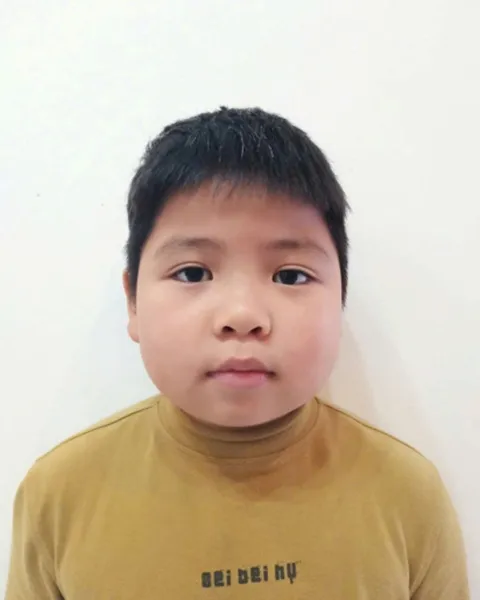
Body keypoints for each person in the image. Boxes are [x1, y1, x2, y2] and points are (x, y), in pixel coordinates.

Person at [5, 107, 469, 599]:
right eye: (192, 273)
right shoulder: (59, 494)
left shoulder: (407, 493)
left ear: (340, 301)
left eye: (290, 275)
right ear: (133, 303)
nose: (243, 314)